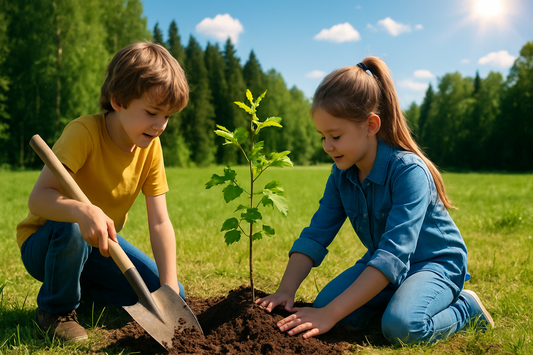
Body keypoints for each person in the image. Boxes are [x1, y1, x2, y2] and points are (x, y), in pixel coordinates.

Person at [255, 57, 494, 344]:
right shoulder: (341, 175)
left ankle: (465, 309)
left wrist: (330, 315)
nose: (327, 146)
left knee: (402, 327)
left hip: (434, 264)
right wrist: (286, 290)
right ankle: (397, 299)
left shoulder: (408, 172)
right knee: (323, 307)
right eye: (322, 137)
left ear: (371, 125)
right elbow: (316, 234)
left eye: (335, 136)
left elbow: (394, 254)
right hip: (385, 266)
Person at [16, 41, 189, 342]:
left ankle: (85, 291)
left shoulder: (150, 147)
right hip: (49, 242)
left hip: (101, 245)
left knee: (170, 290)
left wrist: (170, 288)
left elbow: (160, 221)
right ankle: (55, 311)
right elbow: (39, 199)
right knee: (72, 228)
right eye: (151, 112)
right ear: (118, 100)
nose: (160, 125)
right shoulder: (84, 133)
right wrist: (83, 210)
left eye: (167, 116)